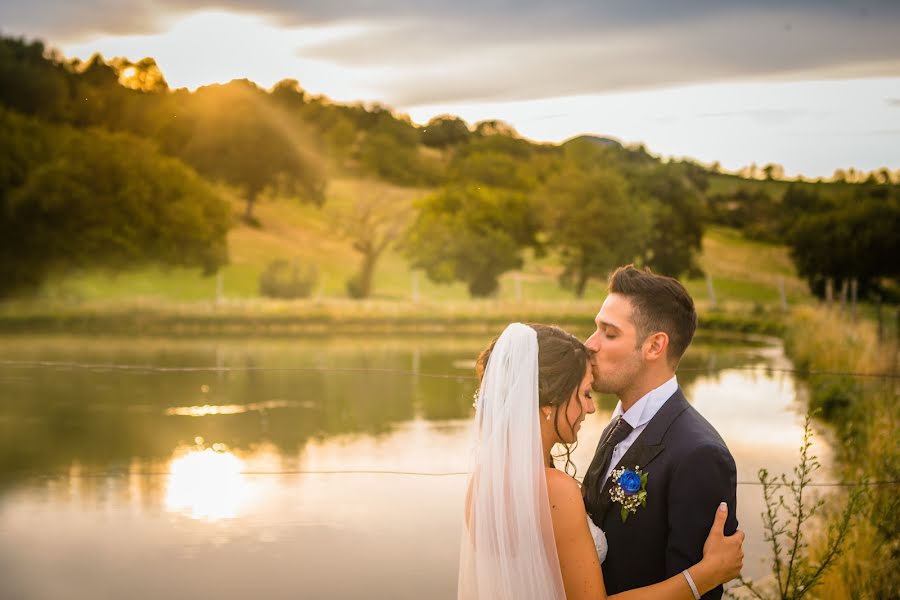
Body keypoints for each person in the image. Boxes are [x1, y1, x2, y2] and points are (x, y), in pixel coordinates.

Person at [458, 322, 743, 600]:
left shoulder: (482, 482)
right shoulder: (555, 490)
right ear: (548, 403)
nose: (591, 408)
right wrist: (706, 574)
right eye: (584, 394)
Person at [581, 266, 739, 599]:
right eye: (596, 329)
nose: (590, 345)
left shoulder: (699, 455)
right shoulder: (617, 425)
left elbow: (700, 593)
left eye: (609, 333)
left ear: (655, 346)